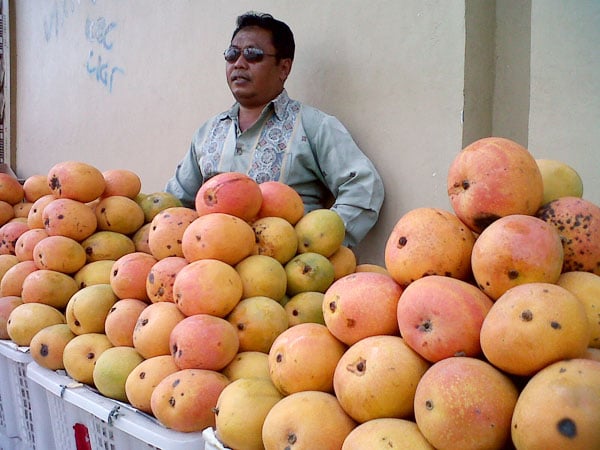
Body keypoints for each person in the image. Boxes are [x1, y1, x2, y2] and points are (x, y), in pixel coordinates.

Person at [165, 11, 384, 248]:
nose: (239, 63)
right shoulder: (208, 133)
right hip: (214, 275)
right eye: (232, 54)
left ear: (284, 68)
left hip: (286, 276)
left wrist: (317, 246)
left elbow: (363, 187)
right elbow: (175, 202)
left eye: (253, 54)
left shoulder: (313, 126)